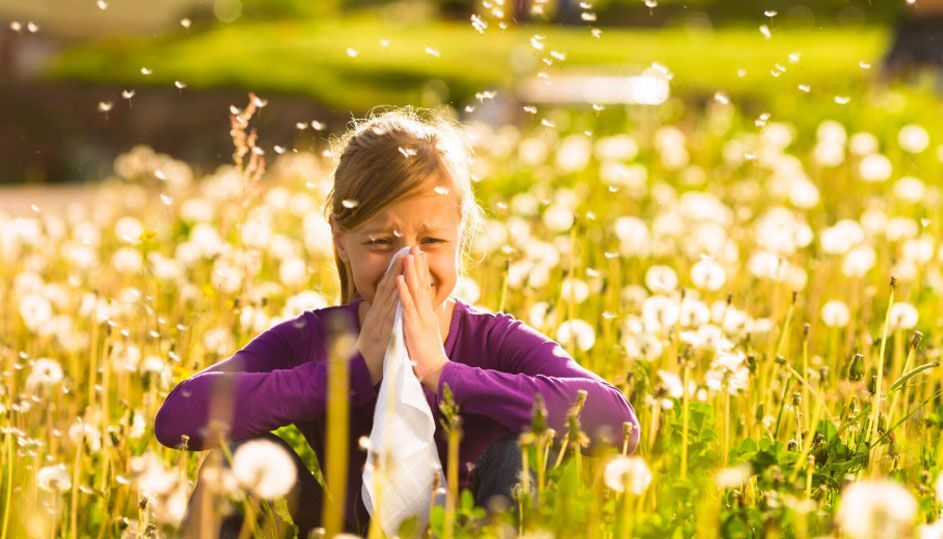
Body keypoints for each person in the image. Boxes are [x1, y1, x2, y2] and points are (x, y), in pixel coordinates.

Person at [153, 107, 641, 537]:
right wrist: (349, 372)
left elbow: (617, 424)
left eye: (431, 242)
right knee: (230, 458)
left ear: (460, 237)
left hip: (475, 530)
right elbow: (179, 417)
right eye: (382, 243)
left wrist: (442, 375)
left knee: (519, 452)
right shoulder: (316, 338)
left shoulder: (493, 339)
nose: (408, 265)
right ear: (341, 241)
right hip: (339, 531)